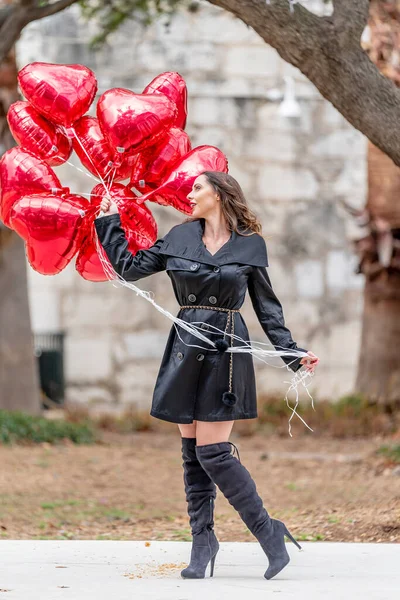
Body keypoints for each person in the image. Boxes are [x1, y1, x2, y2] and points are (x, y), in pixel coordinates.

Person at [94, 171, 319, 581]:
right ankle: (203, 541)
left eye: (197, 187)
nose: (190, 193)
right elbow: (127, 268)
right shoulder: (178, 238)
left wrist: (293, 353)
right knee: (191, 452)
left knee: (212, 452)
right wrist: (108, 222)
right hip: (185, 348)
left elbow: (268, 307)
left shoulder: (251, 246)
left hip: (227, 354)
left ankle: (269, 534)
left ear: (219, 193)